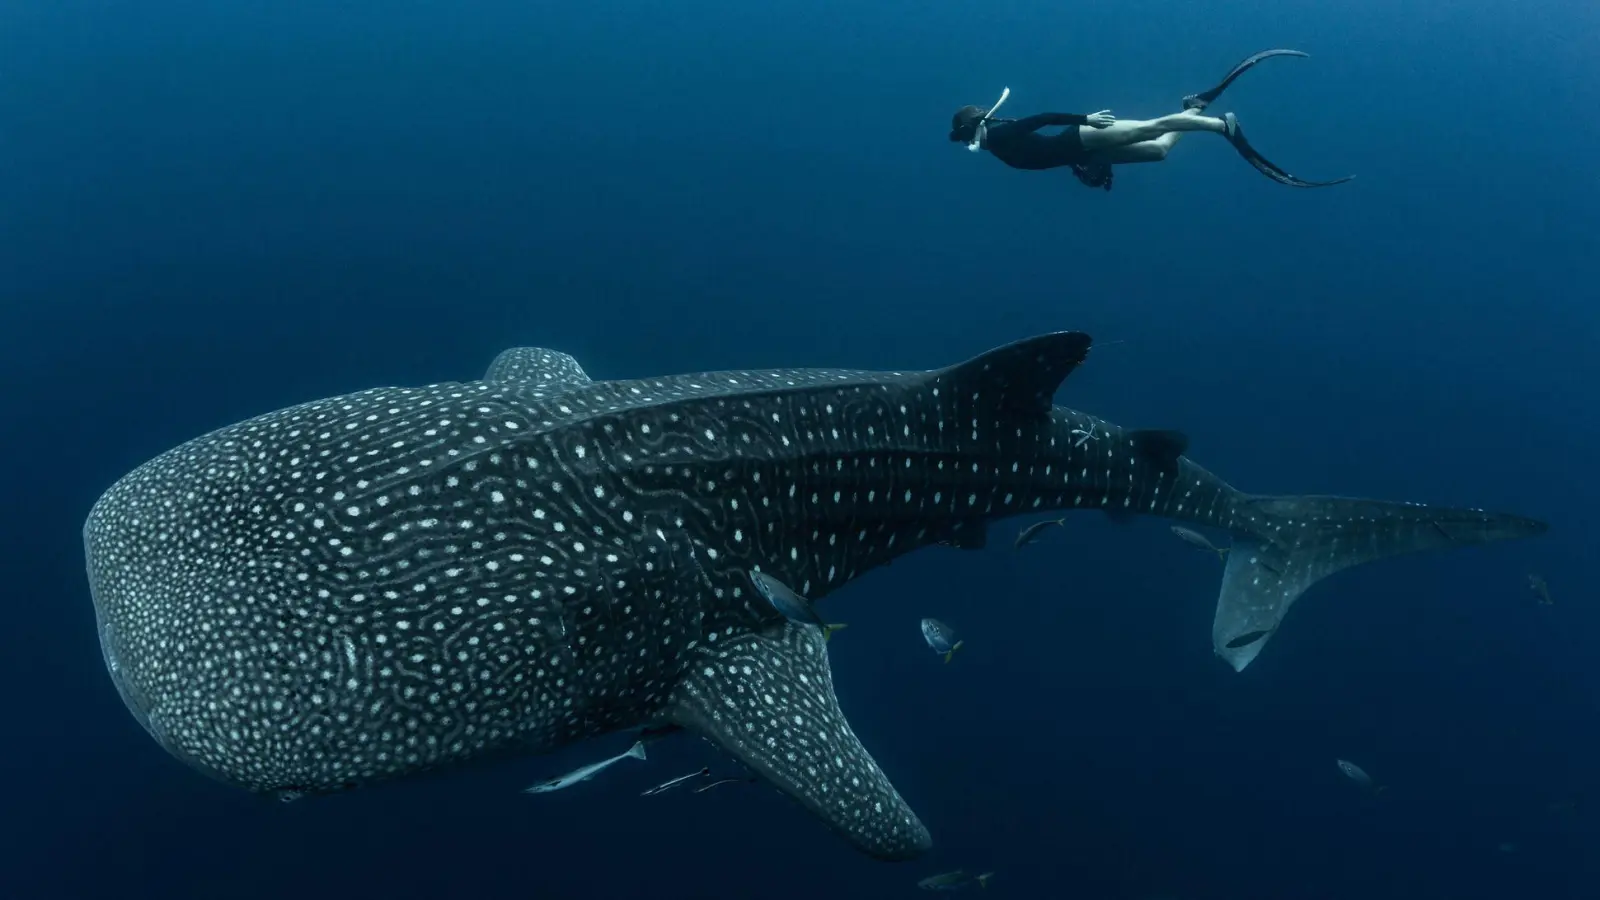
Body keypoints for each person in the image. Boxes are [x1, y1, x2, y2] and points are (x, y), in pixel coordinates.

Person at [948, 49, 1353, 190]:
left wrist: (1085, 118)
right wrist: (1088, 169)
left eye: (967, 133)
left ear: (975, 127)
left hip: (1084, 134)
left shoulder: (999, 136)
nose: (969, 142)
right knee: (1159, 151)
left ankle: (1221, 126)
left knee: (1152, 127)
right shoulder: (999, 148)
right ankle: (1193, 106)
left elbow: (1042, 119)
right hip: (1082, 151)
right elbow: (1041, 154)